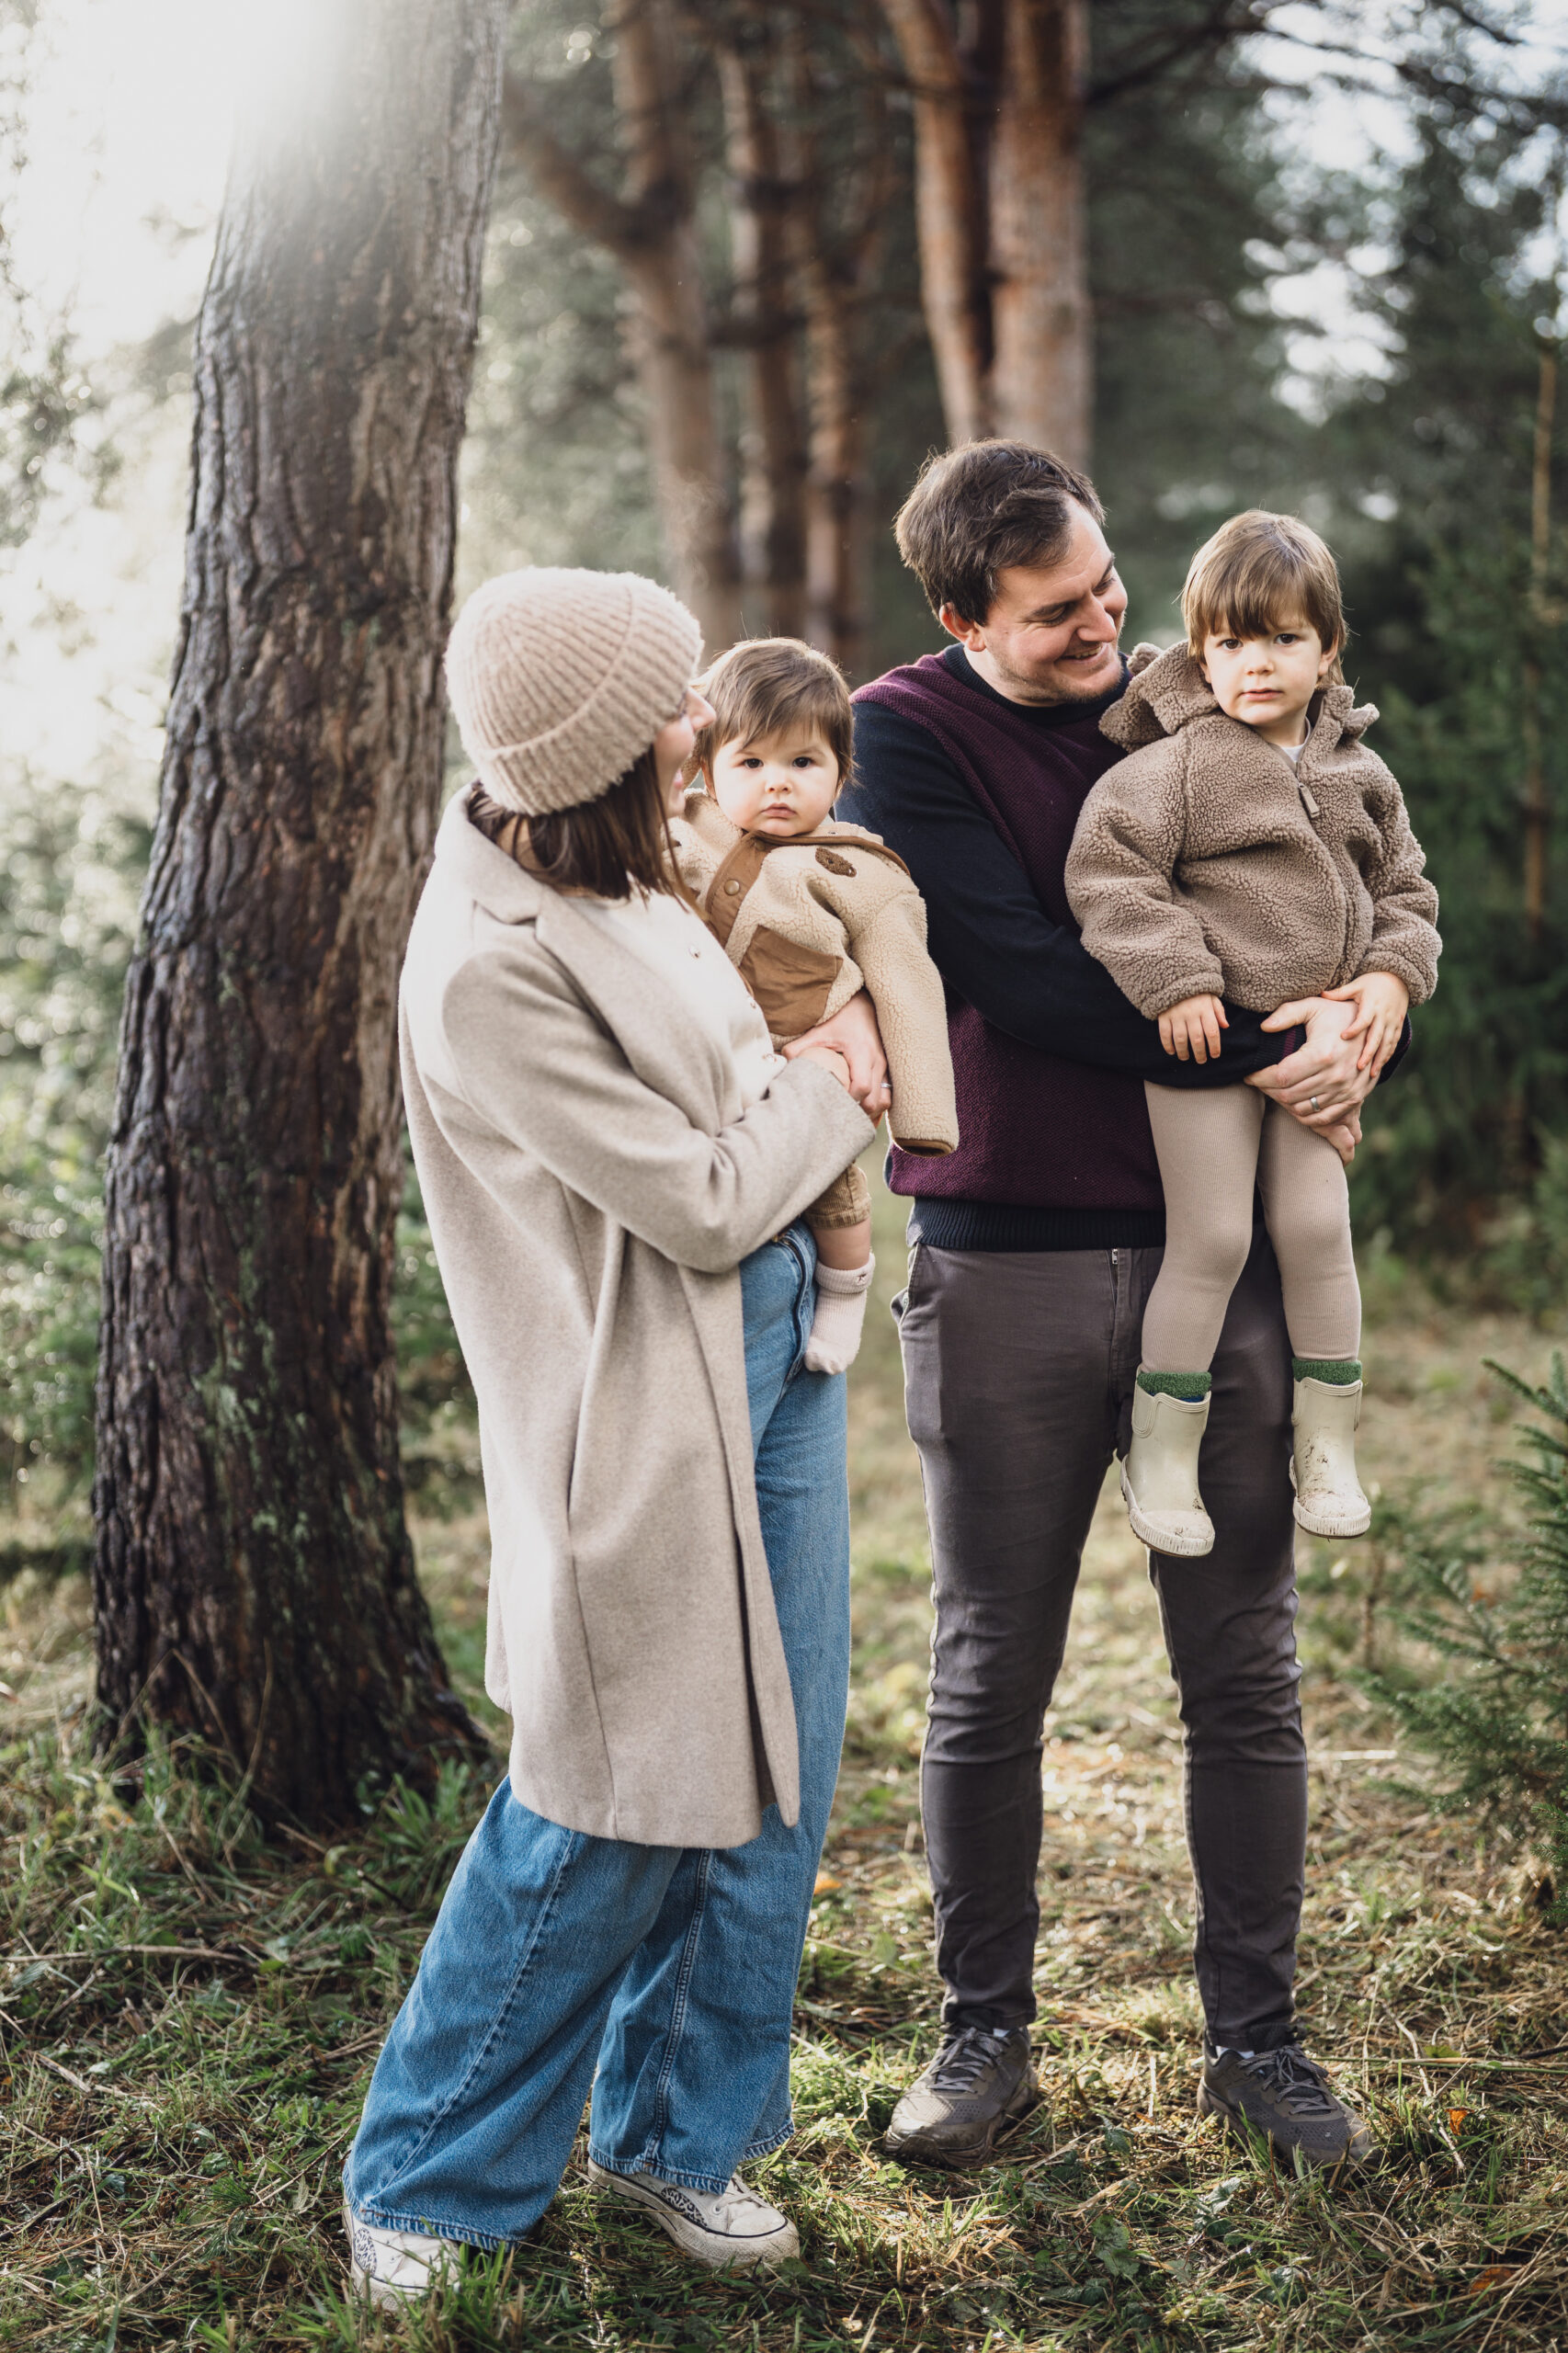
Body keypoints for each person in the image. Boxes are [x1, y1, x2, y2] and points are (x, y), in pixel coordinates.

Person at [837, 441, 1402, 2173]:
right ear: (960, 619)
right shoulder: (907, 733)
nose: (1103, 625)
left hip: (1203, 1245)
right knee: (990, 1667)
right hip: (999, 1251)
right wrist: (1284, 1046)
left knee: (1243, 1664)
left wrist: (1374, 986)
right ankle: (982, 2038)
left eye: (1104, 584)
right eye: (1056, 612)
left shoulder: (1200, 690)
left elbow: (1351, 870)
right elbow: (1019, 967)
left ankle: (1259, 2042)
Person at [342, 567, 881, 2306]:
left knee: (768, 1786)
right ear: (587, 750)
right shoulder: (486, 966)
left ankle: (676, 2137)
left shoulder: (633, 862)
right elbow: (709, 1198)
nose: (697, 727)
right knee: (600, 1799)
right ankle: (424, 2178)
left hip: (776, 1359)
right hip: (637, 1399)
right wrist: (844, 1076)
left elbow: (739, 1096)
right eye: (668, 705)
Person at [1065, 512, 1439, 1558]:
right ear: (1198, 650)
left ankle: (1327, 1447)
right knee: (1216, 1239)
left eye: (1279, 639)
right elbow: (1109, 873)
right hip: (1202, 1050)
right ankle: (1161, 1452)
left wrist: (1386, 981)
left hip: (1318, 1047)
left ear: (1326, 650)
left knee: (1317, 1232)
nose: (1253, 663)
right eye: (1227, 642)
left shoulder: (1361, 771)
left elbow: (1404, 889)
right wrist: (1175, 979)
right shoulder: (1177, 765)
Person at [671, 635, 958, 1373]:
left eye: (803, 763)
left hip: (809, 1066)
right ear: (706, 767)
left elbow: (908, 985)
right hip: (709, 1062)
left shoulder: (862, 872)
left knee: (834, 1190)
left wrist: (921, 1119)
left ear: (839, 772)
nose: (777, 784)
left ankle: (844, 1290)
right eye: (752, 762)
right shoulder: (680, 831)